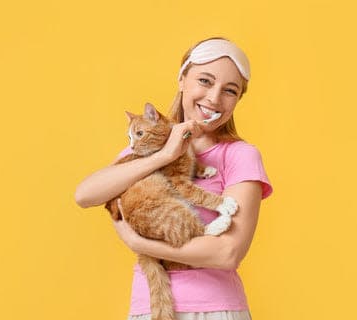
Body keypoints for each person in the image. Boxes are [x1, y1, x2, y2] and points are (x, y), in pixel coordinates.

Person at [75, 37, 273, 320]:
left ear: (238, 99)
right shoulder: (145, 144)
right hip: (151, 307)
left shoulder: (240, 155)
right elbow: (85, 195)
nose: (214, 98)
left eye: (230, 90)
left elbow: (227, 253)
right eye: (205, 81)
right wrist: (165, 155)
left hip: (215, 309)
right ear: (182, 79)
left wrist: (139, 244)